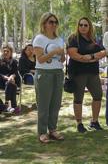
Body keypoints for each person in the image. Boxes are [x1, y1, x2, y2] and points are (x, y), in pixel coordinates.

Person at [67, 17, 106, 133]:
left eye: (85, 25)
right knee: (78, 98)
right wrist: (87, 59)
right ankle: (79, 123)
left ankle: (94, 121)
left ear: (89, 27)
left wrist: (91, 57)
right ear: (78, 26)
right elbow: (73, 54)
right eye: (81, 25)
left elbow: (103, 52)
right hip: (78, 72)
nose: (83, 27)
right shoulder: (73, 38)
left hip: (93, 72)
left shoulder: (94, 38)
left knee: (98, 95)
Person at [33, 12, 65, 143]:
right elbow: (40, 59)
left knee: (55, 104)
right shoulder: (39, 39)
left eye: (55, 22)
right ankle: (42, 132)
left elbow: (62, 59)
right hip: (44, 73)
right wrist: (53, 52)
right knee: (44, 104)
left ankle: (52, 130)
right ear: (44, 23)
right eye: (51, 22)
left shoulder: (59, 39)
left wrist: (62, 54)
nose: (54, 25)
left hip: (58, 72)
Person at [0, 44, 21, 114]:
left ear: (11, 52)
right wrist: (5, 77)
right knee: (11, 84)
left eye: (7, 51)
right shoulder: (0, 61)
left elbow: (16, 72)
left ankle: (7, 104)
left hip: (13, 80)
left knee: (11, 83)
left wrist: (12, 76)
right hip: (2, 81)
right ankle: (14, 106)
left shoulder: (14, 62)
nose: (5, 52)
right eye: (4, 51)